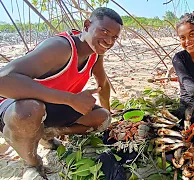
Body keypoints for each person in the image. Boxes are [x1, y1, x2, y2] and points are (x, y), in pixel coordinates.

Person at [0, 7, 122, 179]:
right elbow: (3, 80)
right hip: (15, 106)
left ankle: (45, 134)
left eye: (114, 37)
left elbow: (103, 84)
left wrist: (109, 112)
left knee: (102, 118)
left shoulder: (95, 55)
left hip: (51, 106)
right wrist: (70, 98)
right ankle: (32, 163)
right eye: (104, 31)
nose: (109, 41)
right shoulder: (61, 48)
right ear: (87, 25)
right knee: (30, 110)